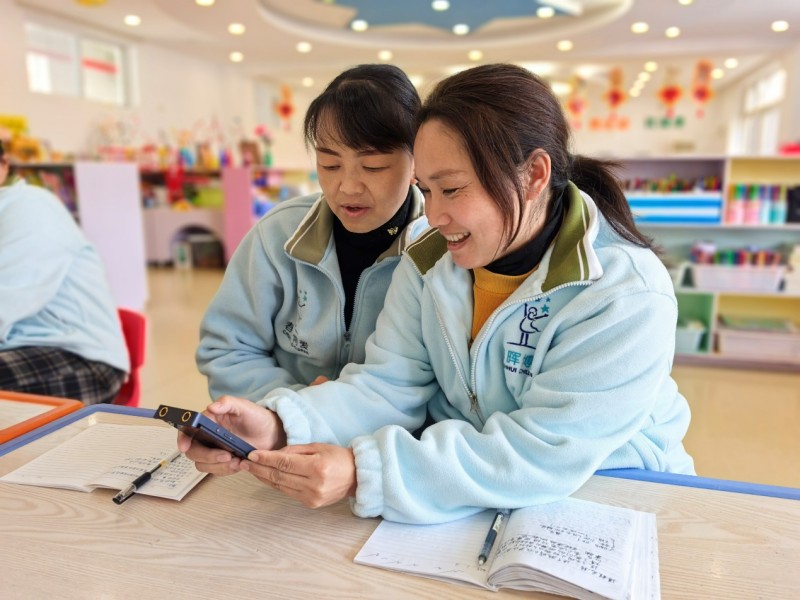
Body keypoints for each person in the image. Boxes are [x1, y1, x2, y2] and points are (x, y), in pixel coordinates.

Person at [181, 63, 695, 524]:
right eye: (426, 191)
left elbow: (542, 451)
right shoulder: (431, 258)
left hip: (614, 492)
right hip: (466, 488)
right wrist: (278, 423)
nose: (435, 213)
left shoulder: (622, 291)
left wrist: (364, 471)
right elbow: (386, 385)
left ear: (534, 174)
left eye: (451, 189)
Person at [196, 64, 427, 400]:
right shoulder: (278, 235)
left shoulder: (438, 249)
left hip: (384, 439)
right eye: (329, 164)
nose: (346, 187)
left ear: (416, 163)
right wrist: (297, 408)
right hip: (282, 431)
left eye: (373, 166)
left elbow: (442, 383)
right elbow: (226, 351)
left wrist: (338, 413)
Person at [0, 140, 128, 404]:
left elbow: (7, 300)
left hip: (78, 356)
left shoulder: (31, 208)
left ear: (4, 166)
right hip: (20, 345)